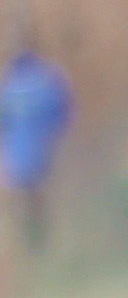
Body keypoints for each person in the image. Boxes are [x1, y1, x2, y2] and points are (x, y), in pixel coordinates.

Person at [2, 43, 73, 256]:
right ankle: (45, 240)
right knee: (43, 195)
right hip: (44, 149)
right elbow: (63, 111)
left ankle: (28, 242)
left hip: (17, 153)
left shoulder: (8, 88)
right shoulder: (47, 81)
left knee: (23, 198)